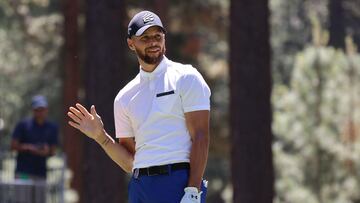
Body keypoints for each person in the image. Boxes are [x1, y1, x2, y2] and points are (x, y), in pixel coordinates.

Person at [67, 10, 211, 203]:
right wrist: (101, 137)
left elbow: (201, 135)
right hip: (140, 187)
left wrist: (193, 190)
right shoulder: (124, 97)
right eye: (145, 37)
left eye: (158, 36)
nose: (153, 42)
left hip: (177, 182)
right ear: (131, 43)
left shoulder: (186, 77)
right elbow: (130, 163)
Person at [11, 95, 59, 180]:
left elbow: (53, 151)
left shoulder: (52, 128)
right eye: (37, 110)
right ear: (33, 110)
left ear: (47, 109)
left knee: (39, 193)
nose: (40, 112)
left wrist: (46, 151)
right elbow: (13, 145)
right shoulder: (23, 125)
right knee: (22, 193)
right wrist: (29, 148)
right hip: (23, 173)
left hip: (40, 174)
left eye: (42, 109)